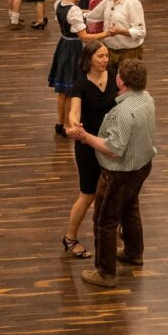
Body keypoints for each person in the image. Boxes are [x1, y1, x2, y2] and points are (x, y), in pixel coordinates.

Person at [67, 58, 156, 288]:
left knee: (104, 221)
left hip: (120, 173)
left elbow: (113, 149)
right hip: (142, 166)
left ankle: (105, 273)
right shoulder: (146, 98)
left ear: (121, 81)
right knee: (131, 209)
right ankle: (134, 253)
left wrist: (85, 137)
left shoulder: (122, 113)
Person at [61, 41, 115, 260]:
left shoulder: (114, 74)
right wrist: (74, 125)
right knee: (88, 194)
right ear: (89, 59)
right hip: (88, 145)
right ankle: (70, 237)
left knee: (114, 188)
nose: (105, 60)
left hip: (111, 143)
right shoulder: (80, 84)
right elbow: (74, 112)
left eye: (106, 56)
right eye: (100, 56)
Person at [48, 0, 105, 137]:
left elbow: (73, 16)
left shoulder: (59, 3)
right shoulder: (73, 11)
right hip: (73, 49)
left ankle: (60, 124)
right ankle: (67, 126)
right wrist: (106, 33)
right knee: (69, 89)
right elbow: (84, 37)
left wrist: (88, 12)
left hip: (63, 45)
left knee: (62, 91)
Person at [86, 0, 145, 67]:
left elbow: (141, 32)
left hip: (129, 54)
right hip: (110, 51)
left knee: (127, 81)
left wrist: (120, 31)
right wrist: (71, 12)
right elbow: (91, 16)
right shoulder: (107, 1)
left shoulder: (132, 3)